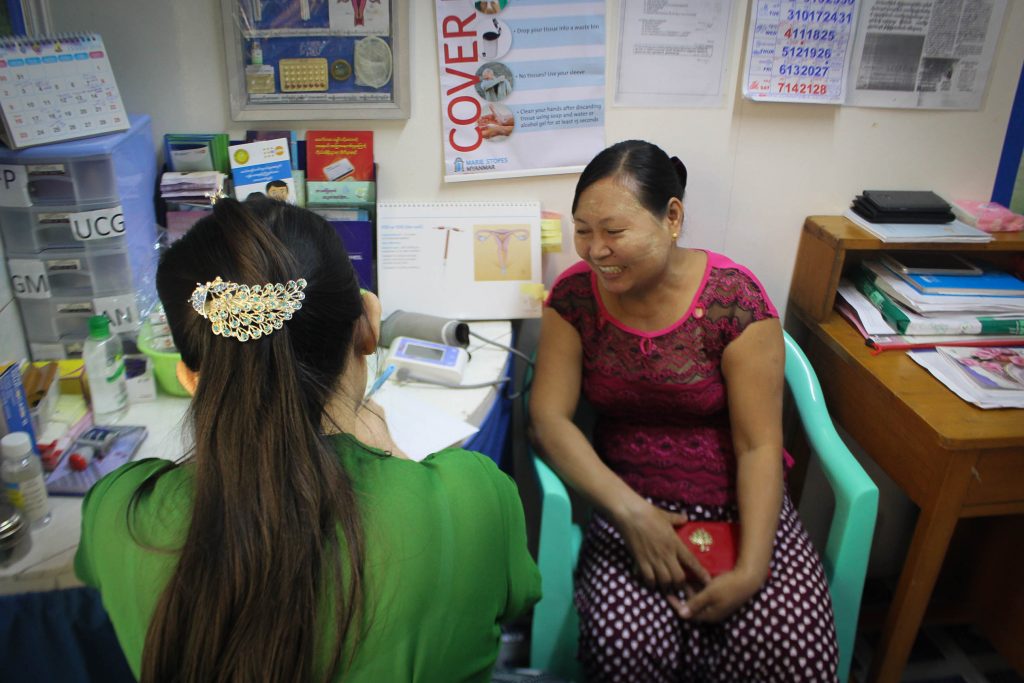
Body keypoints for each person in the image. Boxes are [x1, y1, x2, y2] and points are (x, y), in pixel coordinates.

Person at [75, 198, 541, 682]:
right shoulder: (473, 499)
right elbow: (513, 599)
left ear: (190, 378)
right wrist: (386, 450)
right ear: (367, 327)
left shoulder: (116, 511)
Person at [529, 140, 839, 682]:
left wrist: (751, 569)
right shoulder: (574, 299)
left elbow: (759, 444)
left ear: (672, 217)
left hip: (742, 507)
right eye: (584, 230)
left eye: (615, 232)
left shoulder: (734, 303)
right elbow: (550, 419)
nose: (595, 250)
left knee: (792, 648)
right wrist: (631, 514)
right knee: (624, 650)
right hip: (629, 500)